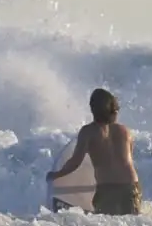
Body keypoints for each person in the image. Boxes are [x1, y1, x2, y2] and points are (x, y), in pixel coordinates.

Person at [46, 87, 141, 215]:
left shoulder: (88, 132)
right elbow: (126, 160)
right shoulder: (125, 132)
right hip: (131, 186)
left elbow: (75, 162)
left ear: (92, 109)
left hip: (108, 189)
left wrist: (56, 174)